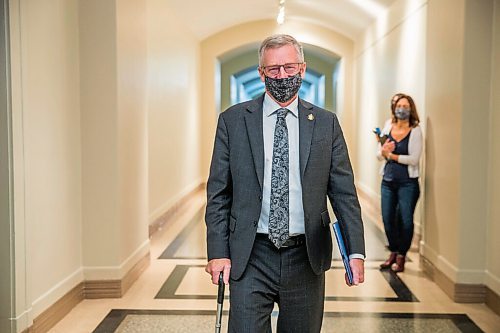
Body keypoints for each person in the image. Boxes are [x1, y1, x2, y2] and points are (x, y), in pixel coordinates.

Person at [204, 34, 365, 333]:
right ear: (261, 72)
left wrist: (355, 252)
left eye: (289, 68)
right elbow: (219, 193)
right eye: (273, 69)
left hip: (306, 255)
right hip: (250, 252)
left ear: (303, 69)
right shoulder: (233, 120)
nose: (282, 76)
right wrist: (217, 252)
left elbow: (344, 192)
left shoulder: (326, 124)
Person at [376, 93, 422, 272]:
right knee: (388, 220)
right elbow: (379, 154)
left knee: (406, 220)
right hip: (388, 181)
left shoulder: (415, 129)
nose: (401, 109)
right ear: (394, 108)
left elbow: (414, 159)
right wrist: (384, 151)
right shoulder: (389, 125)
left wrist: (391, 155)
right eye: (399, 106)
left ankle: (402, 255)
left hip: (407, 183)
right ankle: (393, 252)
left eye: (405, 106)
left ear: (411, 109)